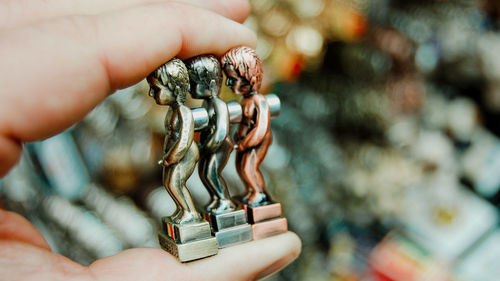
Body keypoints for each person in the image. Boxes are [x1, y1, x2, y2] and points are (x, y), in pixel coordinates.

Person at [0, 1, 301, 280]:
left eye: (158, 89)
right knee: (183, 183)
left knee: (231, 174)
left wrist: (184, 152)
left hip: (206, 152)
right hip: (200, 151)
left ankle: (229, 203)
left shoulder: (218, 107)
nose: (153, 95)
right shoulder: (191, 110)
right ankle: (198, 211)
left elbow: (202, 135)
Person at [147, 58, 202, 225]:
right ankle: (182, 210)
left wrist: (172, 157)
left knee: (175, 182)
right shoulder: (172, 111)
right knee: (169, 183)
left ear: (173, 88)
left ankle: (191, 212)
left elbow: (185, 139)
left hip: (185, 153)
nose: (151, 94)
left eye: (156, 89)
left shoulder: (184, 112)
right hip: (173, 153)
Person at [221, 46, 273, 207]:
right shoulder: (245, 100)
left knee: (248, 167)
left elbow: (261, 127)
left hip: (258, 140)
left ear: (247, 77)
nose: (228, 83)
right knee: (240, 168)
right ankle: (250, 190)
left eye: (233, 79)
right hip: (245, 141)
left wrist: (247, 142)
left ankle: (259, 193)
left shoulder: (259, 101)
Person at [185, 55, 236, 215]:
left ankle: (225, 200)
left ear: (211, 84)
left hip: (220, 146)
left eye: (194, 84)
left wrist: (206, 146)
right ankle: (216, 198)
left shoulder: (218, 104)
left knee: (210, 172)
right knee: (204, 173)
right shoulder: (206, 103)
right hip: (209, 146)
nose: (190, 89)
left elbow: (221, 132)